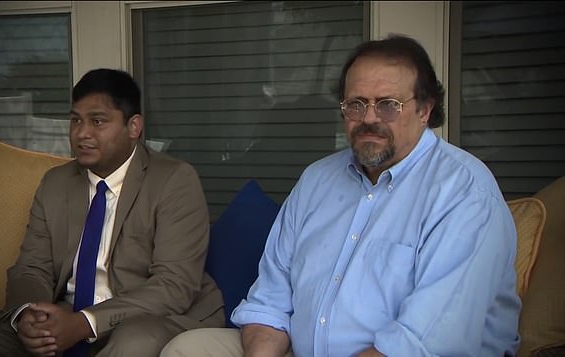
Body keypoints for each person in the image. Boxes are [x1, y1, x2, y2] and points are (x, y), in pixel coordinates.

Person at [160, 34, 521, 357]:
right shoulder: (318, 179)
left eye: (388, 105)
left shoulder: (463, 191)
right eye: (356, 104)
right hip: (300, 348)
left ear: (424, 110)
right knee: (187, 349)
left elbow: (424, 341)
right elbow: (270, 300)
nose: (368, 118)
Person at [0, 68, 225, 356]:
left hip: (149, 319)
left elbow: (173, 286)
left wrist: (84, 323)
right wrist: (30, 316)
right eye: (75, 120)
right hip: (68, 315)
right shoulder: (56, 182)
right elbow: (32, 266)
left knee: (134, 342)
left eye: (97, 121)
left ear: (133, 127)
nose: (82, 133)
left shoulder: (174, 180)